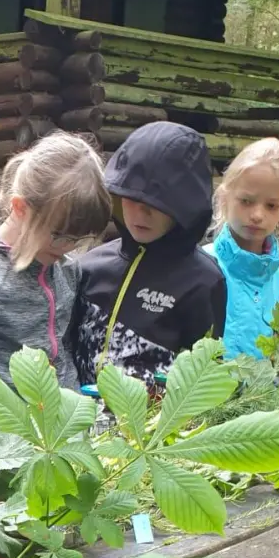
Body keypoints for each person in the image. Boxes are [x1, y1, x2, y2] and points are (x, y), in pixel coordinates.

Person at [0, 131, 112, 388]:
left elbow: (63, 343)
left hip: (61, 410)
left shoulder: (65, 266)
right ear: (20, 209)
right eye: (60, 236)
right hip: (3, 415)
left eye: (78, 239)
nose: (68, 248)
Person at [72, 122, 225, 386]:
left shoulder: (204, 281)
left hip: (153, 424)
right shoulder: (89, 266)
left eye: (156, 204)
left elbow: (203, 379)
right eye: (130, 198)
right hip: (75, 419)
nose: (140, 214)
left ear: (185, 206)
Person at [203, 137, 279, 360]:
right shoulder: (200, 268)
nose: (257, 215)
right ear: (225, 197)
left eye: (271, 205)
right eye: (246, 201)